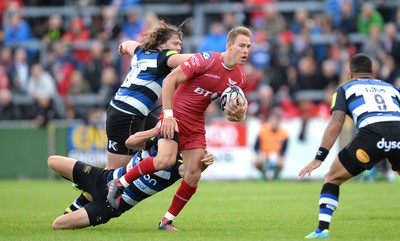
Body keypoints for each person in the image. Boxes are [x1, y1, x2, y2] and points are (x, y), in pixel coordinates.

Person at [107, 26, 252, 231]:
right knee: (165, 160)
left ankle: (166, 220)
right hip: (174, 117)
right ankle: (119, 183)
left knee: (194, 173)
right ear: (229, 46)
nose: (246, 50)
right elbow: (170, 79)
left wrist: (239, 114)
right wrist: (167, 115)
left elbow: (234, 115)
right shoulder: (206, 59)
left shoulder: (239, 79)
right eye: (241, 45)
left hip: (195, 125)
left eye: (248, 46)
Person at [299, 53, 400, 239]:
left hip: (372, 133)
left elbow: (336, 122)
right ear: (373, 72)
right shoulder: (392, 88)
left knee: (332, 178)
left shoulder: (345, 88)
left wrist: (319, 158)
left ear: (350, 73)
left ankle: (322, 230)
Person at [49, 130, 214, 230]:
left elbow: (192, 172)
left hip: (111, 206)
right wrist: (157, 129)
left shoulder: (178, 165)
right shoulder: (156, 142)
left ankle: (85, 194)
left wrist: (204, 163)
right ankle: (84, 188)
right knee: (52, 161)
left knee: (58, 225)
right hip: (103, 179)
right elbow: (130, 142)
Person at [105, 20, 192, 170]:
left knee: (170, 136)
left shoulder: (141, 52)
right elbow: (194, 60)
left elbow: (129, 44)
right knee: (111, 174)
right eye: (175, 43)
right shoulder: (165, 57)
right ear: (161, 44)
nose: (178, 48)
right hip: (127, 116)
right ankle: (85, 188)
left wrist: (123, 47)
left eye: (180, 45)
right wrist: (218, 57)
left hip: (127, 111)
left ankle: (169, 169)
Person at [253, 109, 288, 181]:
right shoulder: (262, 130)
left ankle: (276, 176)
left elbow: (284, 149)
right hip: (264, 154)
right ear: (269, 121)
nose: (274, 122)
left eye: (276, 120)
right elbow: (256, 146)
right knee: (256, 161)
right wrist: (260, 153)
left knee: (281, 162)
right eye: (272, 120)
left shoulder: (284, 133)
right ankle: (264, 175)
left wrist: (280, 156)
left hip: (276, 155)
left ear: (279, 122)